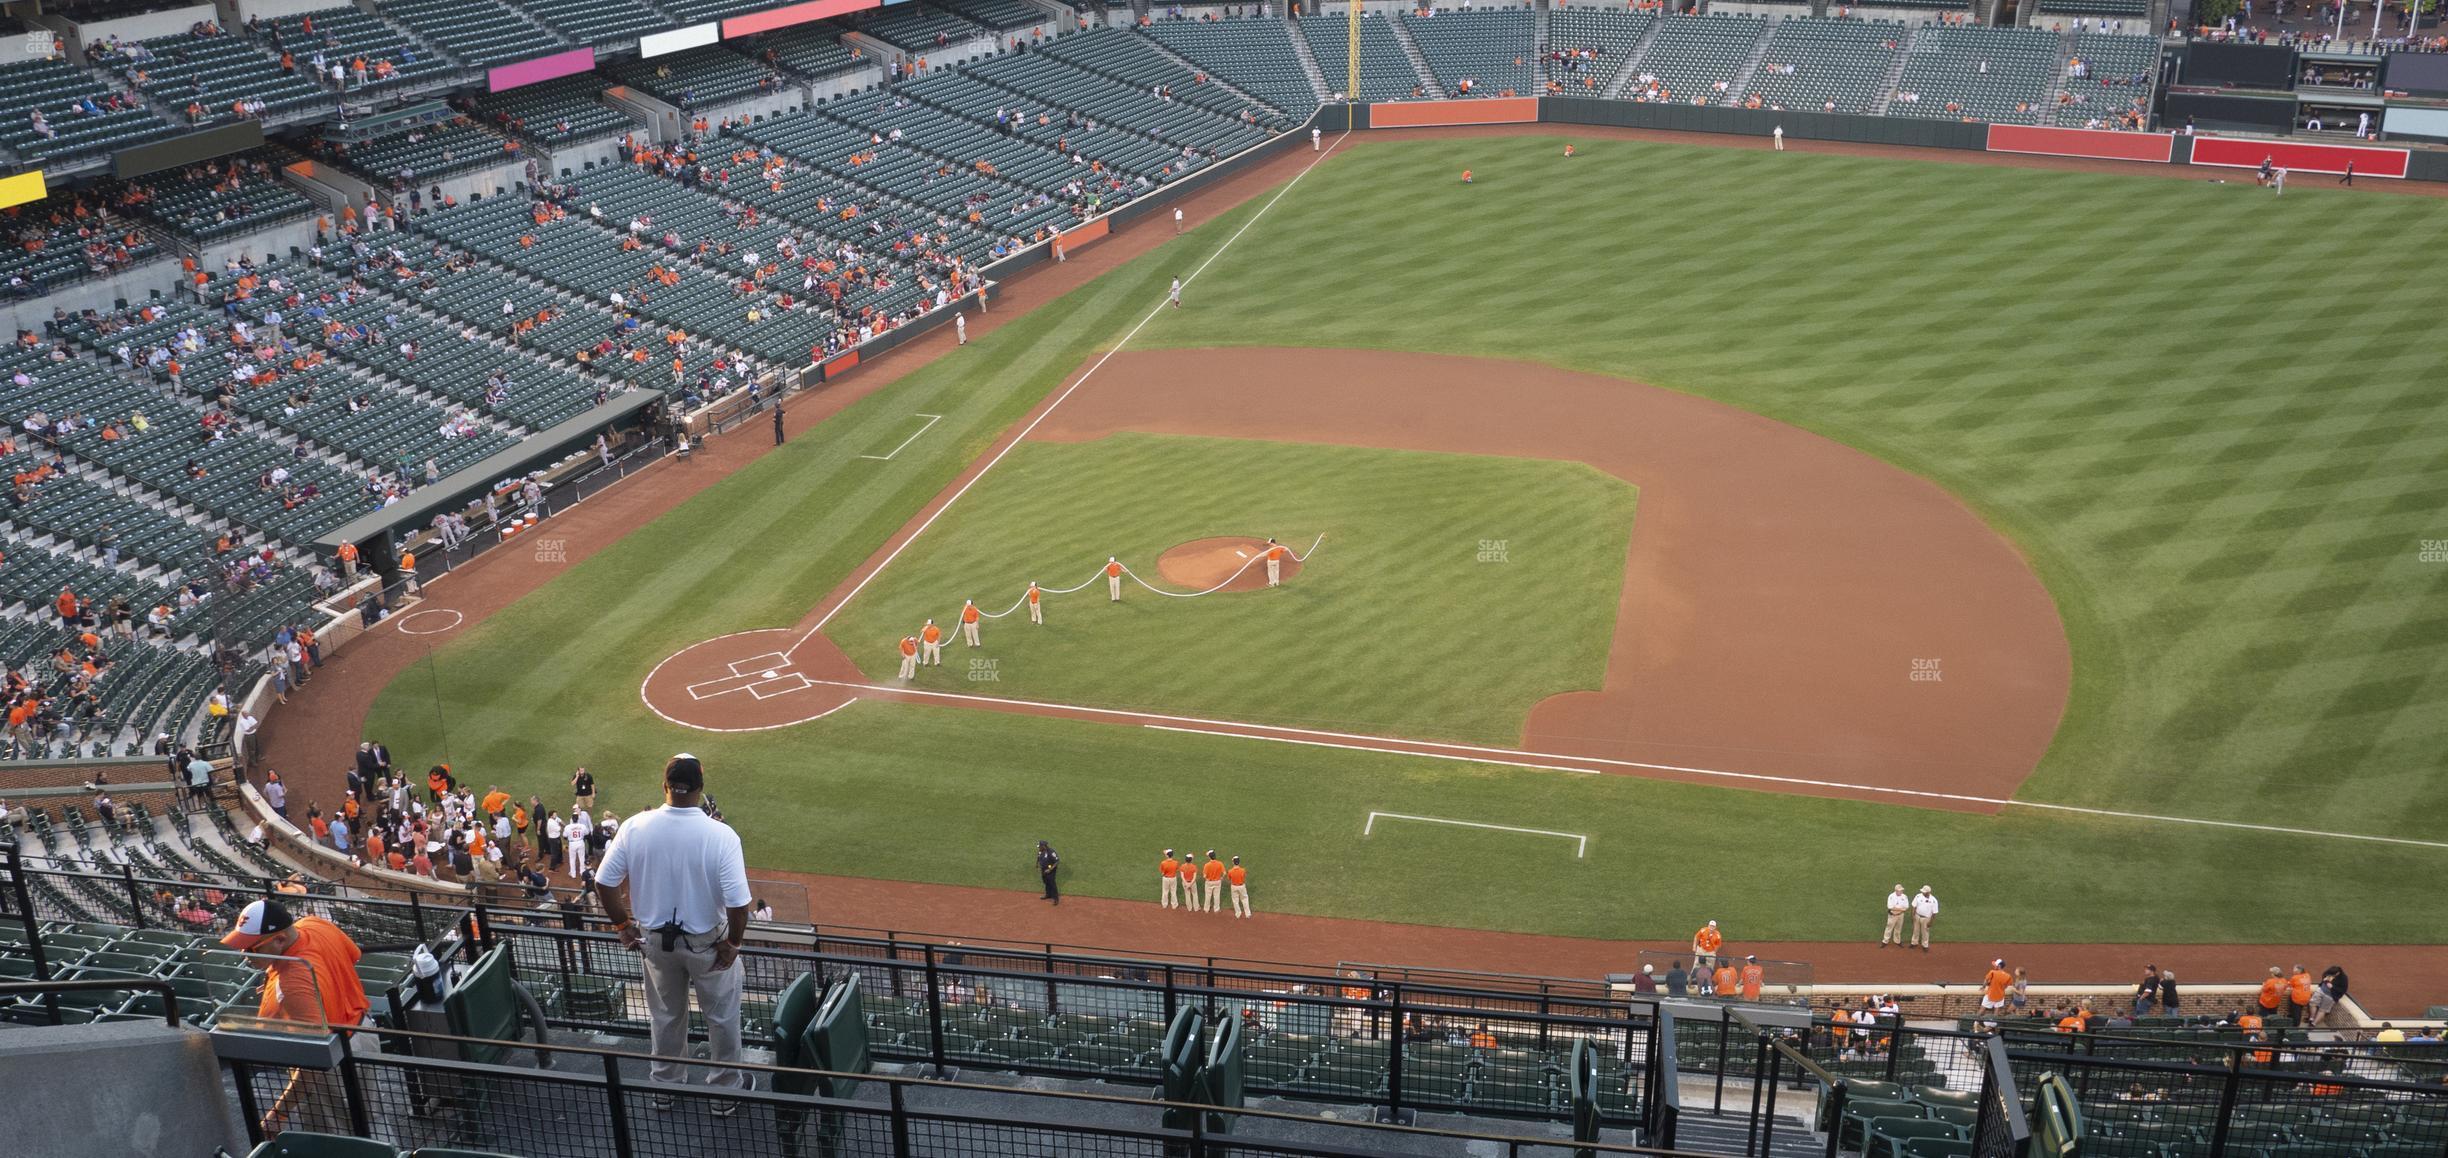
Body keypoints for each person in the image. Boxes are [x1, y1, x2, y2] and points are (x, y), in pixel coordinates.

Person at [594, 753, 754, 1110]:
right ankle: (724, 1093)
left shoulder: (635, 825)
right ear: (700, 788)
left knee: (665, 1014)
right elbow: (739, 902)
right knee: (722, 1016)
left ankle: (666, 1086)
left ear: (664, 785)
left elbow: (604, 883)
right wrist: (733, 943)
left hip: (654, 942)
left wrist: (622, 926)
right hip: (709, 943)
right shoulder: (721, 835)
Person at [223, 897, 371, 1133]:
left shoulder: (294, 981)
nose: (244, 953)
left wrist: (278, 1113)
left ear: (280, 939)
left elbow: (314, 1061)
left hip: (332, 1064)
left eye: (252, 947)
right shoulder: (314, 924)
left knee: (340, 1141)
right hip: (362, 1031)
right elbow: (353, 955)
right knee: (368, 1124)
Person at [1910, 885, 1939, 950]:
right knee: (1915, 930)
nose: (1923, 893)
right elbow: (1914, 906)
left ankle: (1925, 945)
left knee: (1925, 932)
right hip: (1917, 916)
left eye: (1924, 892)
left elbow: (1934, 913)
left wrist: (1931, 922)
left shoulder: (1933, 900)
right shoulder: (1918, 896)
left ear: (1928, 892)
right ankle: (1914, 942)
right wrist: (1912, 916)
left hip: (1926, 919)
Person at [1036, 840, 1061, 904]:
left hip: (1050, 870)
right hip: (1043, 869)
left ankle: (1056, 899)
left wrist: (1050, 869)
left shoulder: (1051, 852)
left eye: (1040, 847)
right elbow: (1038, 857)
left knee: (1052, 884)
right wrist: (1036, 864)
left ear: (1043, 846)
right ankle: (1048, 894)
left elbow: (1057, 861)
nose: (1039, 848)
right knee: (1046, 882)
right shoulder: (1040, 851)